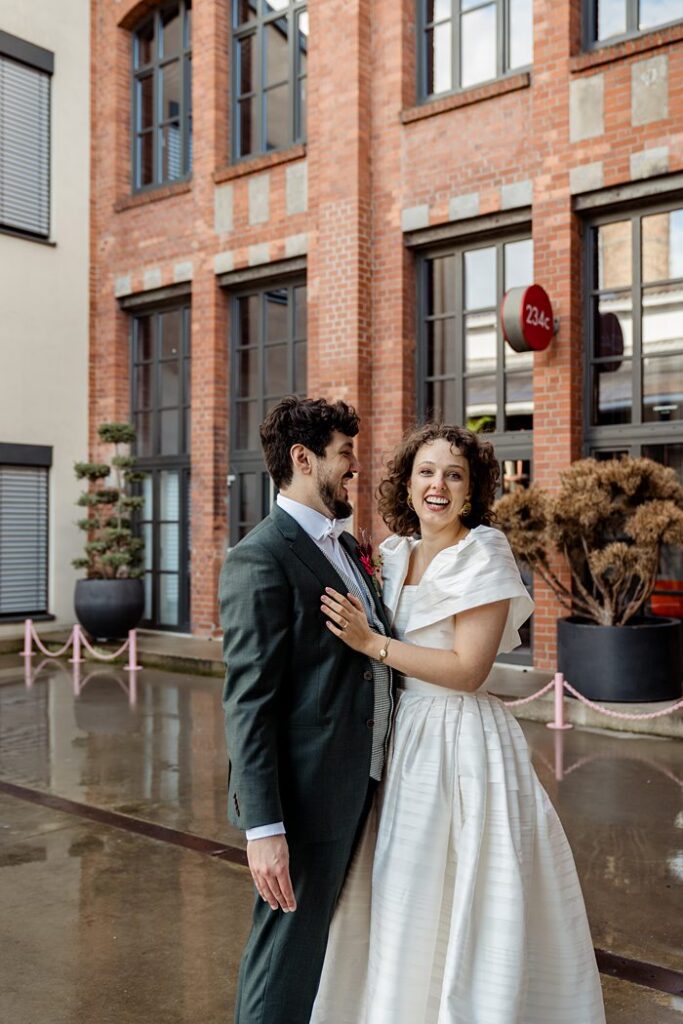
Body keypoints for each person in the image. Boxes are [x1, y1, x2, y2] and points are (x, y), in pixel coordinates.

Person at [311, 423, 606, 1024]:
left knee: (467, 887)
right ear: (408, 483)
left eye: (453, 474)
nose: (438, 485)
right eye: (426, 472)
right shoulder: (392, 554)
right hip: (402, 741)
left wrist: (373, 644)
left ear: (471, 492)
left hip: (460, 740)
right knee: (402, 890)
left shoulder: (484, 551)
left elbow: (470, 669)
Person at [219, 396, 394, 1024]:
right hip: (306, 798)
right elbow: (249, 702)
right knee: (285, 958)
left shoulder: (343, 547)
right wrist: (263, 829)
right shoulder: (260, 557)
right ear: (302, 458)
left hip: (360, 783)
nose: (355, 467)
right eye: (344, 454)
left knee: (323, 950)